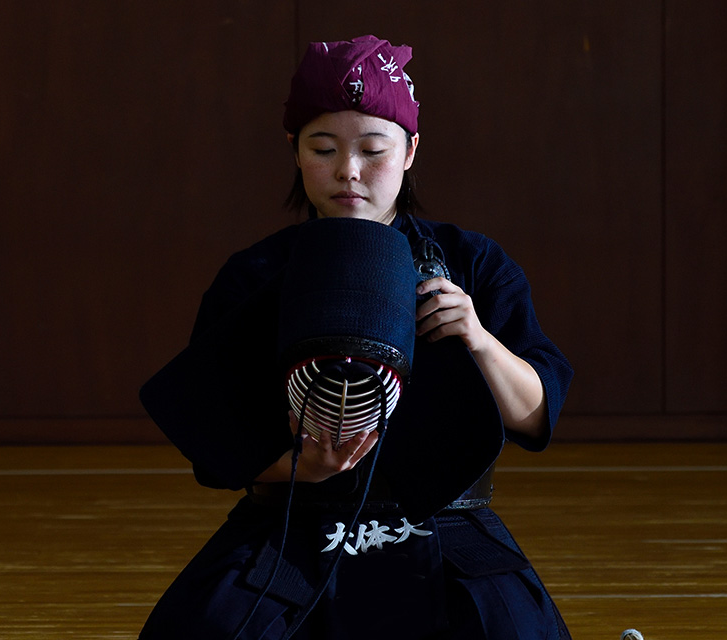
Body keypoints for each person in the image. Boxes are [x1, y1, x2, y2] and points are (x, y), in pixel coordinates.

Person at [139, 35, 574, 639]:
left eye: (373, 150)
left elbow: (535, 416)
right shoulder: (255, 275)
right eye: (324, 148)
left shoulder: (472, 263)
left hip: (445, 523)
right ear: (294, 151)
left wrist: (477, 337)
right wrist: (301, 467)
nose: (348, 170)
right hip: (291, 521)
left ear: (411, 151)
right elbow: (214, 441)